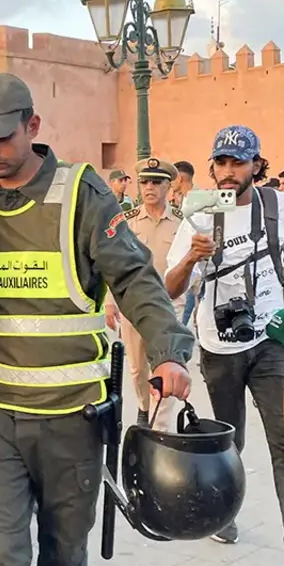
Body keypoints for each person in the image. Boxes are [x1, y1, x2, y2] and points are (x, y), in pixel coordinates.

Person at [0, 73, 193, 566]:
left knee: (64, 555)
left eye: (3, 137)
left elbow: (133, 278)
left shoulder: (81, 193)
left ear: (33, 126)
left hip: (70, 416)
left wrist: (169, 351)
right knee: (0, 555)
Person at [163, 125, 284, 566]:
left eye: (239, 162)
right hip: (219, 346)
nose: (229, 171)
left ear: (258, 164)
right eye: (221, 162)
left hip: (270, 338)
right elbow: (171, 287)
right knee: (228, 439)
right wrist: (191, 258)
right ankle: (225, 516)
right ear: (212, 167)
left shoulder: (278, 204)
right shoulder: (196, 212)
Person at [103, 157, 183, 428]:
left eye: (157, 182)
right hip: (134, 305)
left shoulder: (182, 223)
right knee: (137, 369)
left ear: (168, 186)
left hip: (172, 304)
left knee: (167, 362)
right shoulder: (127, 221)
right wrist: (109, 302)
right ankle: (143, 408)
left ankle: (158, 427)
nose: (149, 187)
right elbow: (113, 263)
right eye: (145, 182)